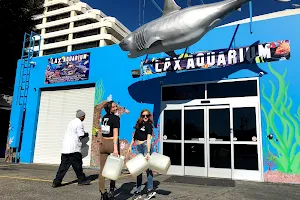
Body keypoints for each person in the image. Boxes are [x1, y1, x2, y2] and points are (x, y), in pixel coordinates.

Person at [52, 110, 91, 188]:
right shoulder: (79, 123)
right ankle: (82, 180)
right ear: (81, 116)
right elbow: (81, 135)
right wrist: (86, 134)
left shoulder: (71, 122)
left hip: (65, 148)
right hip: (74, 148)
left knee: (63, 166)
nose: (84, 117)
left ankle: (57, 181)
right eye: (84, 116)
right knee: (78, 165)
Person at [128, 109, 156, 200]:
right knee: (139, 170)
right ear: (141, 116)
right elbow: (134, 136)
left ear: (149, 116)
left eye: (147, 116)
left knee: (148, 170)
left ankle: (150, 190)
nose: (145, 117)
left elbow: (149, 139)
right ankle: (138, 192)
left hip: (145, 146)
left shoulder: (149, 125)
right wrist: (130, 145)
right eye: (143, 115)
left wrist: (148, 152)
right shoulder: (138, 124)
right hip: (139, 146)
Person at [99, 101, 120, 200]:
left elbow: (103, 131)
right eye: (114, 107)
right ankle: (112, 189)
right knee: (113, 168)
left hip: (103, 143)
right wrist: (115, 149)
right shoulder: (116, 118)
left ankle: (102, 192)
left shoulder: (104, 118)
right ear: (110, 109)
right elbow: (115, 134)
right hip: (111, 143)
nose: (116, 108)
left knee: (102, 170)